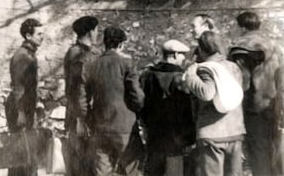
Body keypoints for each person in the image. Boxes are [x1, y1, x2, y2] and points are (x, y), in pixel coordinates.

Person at [229, 11, 284, 176]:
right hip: (273, 104)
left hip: (253, 107)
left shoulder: (241, 47)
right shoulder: (275, 46)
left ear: (241, 27)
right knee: (274, 148)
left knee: (258, 150)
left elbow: (241, 81)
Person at [183, 31, 246, 176]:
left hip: (212, 132)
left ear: (202, 49)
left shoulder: (205, 68)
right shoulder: (233, 67)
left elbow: (206, 93)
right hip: (235, 130)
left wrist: (191, 76)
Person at [86, 26, 145, 175]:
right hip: (124, 125)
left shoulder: (93, 65)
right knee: (131, 168)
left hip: (100, 125)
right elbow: (137, 96)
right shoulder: (126, 64)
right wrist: (139, 111)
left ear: (104, 43)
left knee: (103, 169)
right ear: (120, 44)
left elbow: (84, 96)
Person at [139, 39, 195, 176]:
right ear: (175, 55)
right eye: (182, 55)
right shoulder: (180, 78)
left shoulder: (147, 75)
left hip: (153, 133)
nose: (183, 59)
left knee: (153, 170)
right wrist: (190, 137)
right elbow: (186, 110)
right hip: (175, 137)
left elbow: (141, 103)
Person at [4, 18, 44, 176]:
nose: (42, 37)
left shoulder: (29, 54)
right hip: (20, 108)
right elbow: (18, 86)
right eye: (39, 34)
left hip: (26, 107)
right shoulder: (22, 56)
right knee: (24, 156)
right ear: (28, 36)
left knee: (24, 156)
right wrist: (20, 112)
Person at [63, 16, 99, 176]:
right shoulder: (78, 55)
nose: (98, 33)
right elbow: (78, 88)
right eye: (97, 30)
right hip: (81, 116)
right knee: (80, 163)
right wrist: (80, 119)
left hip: (83, 114)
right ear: (91, 32)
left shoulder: (82, 52)